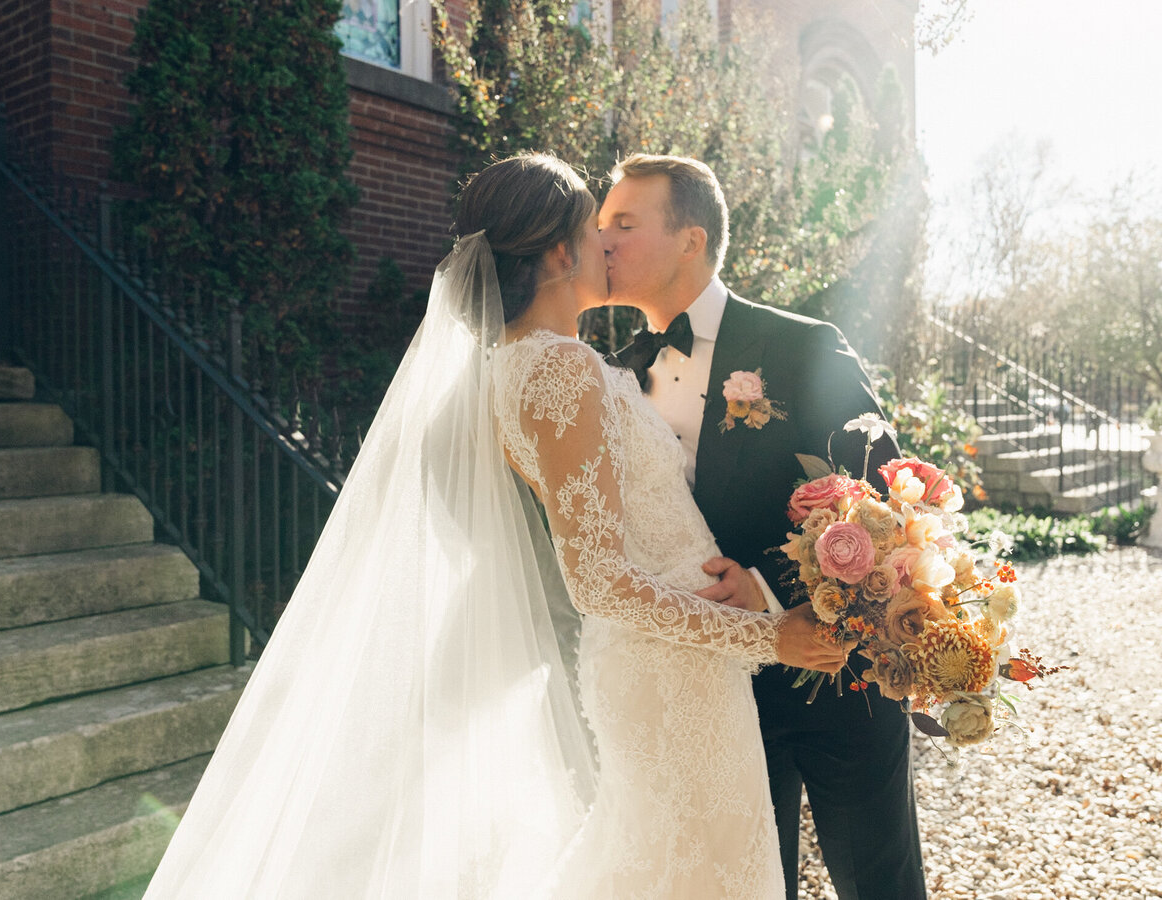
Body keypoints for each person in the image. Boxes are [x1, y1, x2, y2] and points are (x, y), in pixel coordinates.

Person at [142, 153, 846, 899]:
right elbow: (599, 584)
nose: (606, 246)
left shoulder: (532, 364)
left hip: (680, 661)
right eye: (592, 228)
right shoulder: (556, 371)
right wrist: (770, 636)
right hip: (666, 671)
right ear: (554, 251)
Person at [600, 153, 927, 900]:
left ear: (690, 240)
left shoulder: (800, 344)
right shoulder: (615, 375)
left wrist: (775, 592)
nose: (604, 242)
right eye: (600, 226)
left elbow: (886, 500)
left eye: (624, 222)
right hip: (714, 692)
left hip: (836, 675)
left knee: (882, 886)